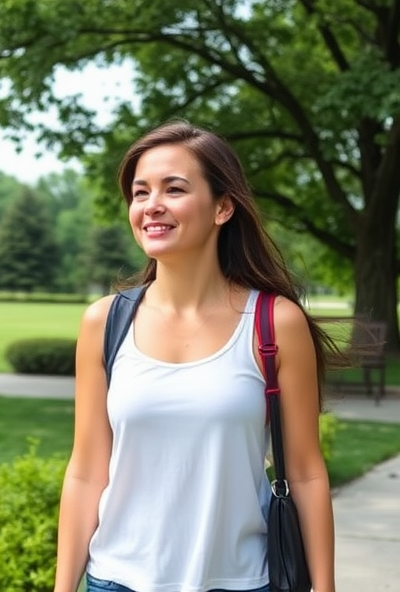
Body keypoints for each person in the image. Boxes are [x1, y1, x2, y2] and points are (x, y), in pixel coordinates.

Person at [54, 121, 338, 592]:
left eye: (174, 189)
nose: (151, 206)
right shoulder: (103, 323)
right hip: (117, 581)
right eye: (140, 192)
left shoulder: (274, 323)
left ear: (223, 207)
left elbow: (307, 473)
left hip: (240, 580)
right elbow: (85, 471)